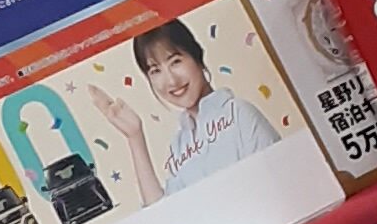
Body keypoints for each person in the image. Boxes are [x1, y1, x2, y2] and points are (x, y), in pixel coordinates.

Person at [89, 20, 280, 201]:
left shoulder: (239, 114)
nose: (171, 81)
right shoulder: (180, 146)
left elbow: (281, 186)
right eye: (155, 70)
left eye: (175, 61)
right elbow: (166, 214)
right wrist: (135, 137)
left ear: (197, 57)